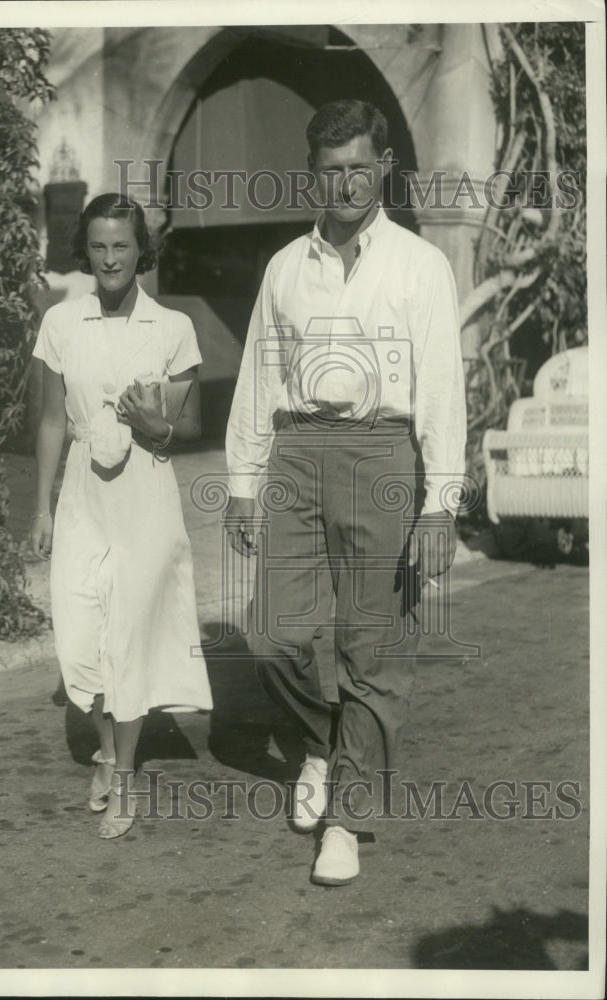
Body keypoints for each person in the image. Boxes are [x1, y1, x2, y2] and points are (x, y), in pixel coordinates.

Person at [224, 100, 466, 885]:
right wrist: (240, 480)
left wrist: (440, 502)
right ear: (312, 176)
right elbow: (260, 373)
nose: (347, 182)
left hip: (381, 457)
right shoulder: (286, 268)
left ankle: (347, 821)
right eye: (332, 170)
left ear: (384, 167)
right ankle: (326, 749)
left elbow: (441, 390)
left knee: (373, 648)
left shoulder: (420, 266)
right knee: (271, 636)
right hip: (295, 451)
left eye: (361, 165)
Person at [31, 193, 213, 839]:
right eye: (100, 246)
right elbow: (53, 420)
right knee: (83, 632)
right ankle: (107, 750)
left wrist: (151, 420)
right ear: (88, 252)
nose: (110, 259)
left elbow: (187, 426)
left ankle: (126, 775)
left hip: (145, 491)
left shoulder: (171, 328)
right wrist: (42, 509)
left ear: (142, 252)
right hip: (83, 492)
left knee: (131, 632)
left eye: (122, 246)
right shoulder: (61, 322)